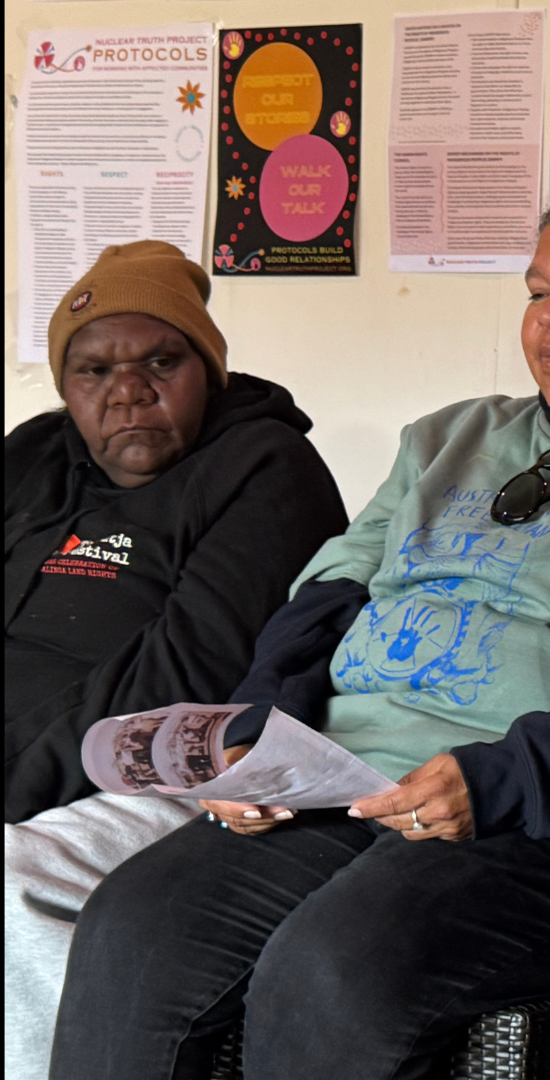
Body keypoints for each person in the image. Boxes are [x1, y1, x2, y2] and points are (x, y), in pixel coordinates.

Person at [50, 177, 550, 1080]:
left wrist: (498, 780)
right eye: (538, 292)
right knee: (135, 923)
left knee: (336, 968)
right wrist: (261, 737)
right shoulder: (449, 438)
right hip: (354, 789)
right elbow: (323, 603)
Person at [4, 240, 347, 1080]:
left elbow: (181, 678)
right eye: (94, 371)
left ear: (209, 371)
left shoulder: (266, 468)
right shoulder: (34, 457)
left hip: (154, 771)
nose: (128, 390)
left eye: (161, 361)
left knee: (9, 884)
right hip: (22, 766)